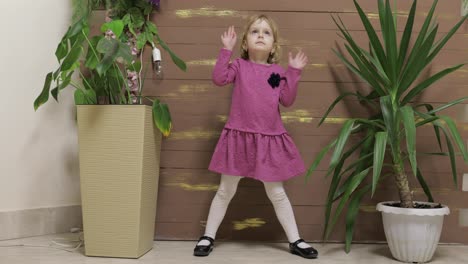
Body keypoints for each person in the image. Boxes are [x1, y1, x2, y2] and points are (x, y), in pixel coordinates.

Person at [193, 14, 318, 259]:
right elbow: (219, 78)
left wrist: (293, 72)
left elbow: (287, 100)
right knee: (225, 190)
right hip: (239, 139)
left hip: (268, 140)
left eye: (266, 32)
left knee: (277, 193)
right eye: (255, 31)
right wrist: (225, 51)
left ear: (274, 45)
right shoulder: (238, 66)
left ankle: (295, 240)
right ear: (245, 42)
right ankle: (208, 236)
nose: (260, 35)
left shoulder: (277, 72)